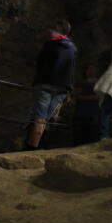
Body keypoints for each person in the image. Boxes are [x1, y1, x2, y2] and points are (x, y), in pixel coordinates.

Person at [25, 18, 77, 149]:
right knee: (46, 119)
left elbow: (41, 65)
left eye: (49, 29)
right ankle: (41, 146)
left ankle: (31, 149)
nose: (46, 31)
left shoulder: (50, 45)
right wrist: (69, 90)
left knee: (40, 118)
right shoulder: (73, 48)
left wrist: (36, 83)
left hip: (46, 85)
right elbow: (71, 70)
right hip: (63, 88)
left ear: (55, 31)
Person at [71, 63, 100, 146]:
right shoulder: (80, 82)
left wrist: (83, 96)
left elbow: (100, 97)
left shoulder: (100, 83)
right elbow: (75, 96)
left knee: (91, 141)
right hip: (80, 115)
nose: (90, 71)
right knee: (78, 140)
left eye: (93, 69)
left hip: (94, 116)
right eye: (88, 69)